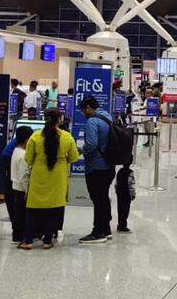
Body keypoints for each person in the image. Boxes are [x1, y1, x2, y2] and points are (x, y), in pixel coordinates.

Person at [22, 108, 79, 249]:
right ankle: (47, 241)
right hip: (58, 176)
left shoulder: (35, 137)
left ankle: (28, 241)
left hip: (39, 175)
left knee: (33, 209)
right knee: (53, 209)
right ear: (59, 120)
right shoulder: (67, 137)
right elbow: (74, 157)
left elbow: (28, 159)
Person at [78, 97, 115, 244]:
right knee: (104, 198)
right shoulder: (107, 117)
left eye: (83, 111)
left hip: (96, 166)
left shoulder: (92, 121)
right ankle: (106, 229)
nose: (83, 114)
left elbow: (92, 143)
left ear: (88, 107)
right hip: (109, 165)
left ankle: (98, 232)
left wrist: (82, 150)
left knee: (98, 200)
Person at [6, 125, 34, 243]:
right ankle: (21, 235)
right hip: (22, 188)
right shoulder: (23, 156)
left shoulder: (16, 151)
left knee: (18, 212)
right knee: (22, 214)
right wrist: (27, 191)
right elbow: (24, 177)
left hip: (15, 186)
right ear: (27, 140)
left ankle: (17, 235)